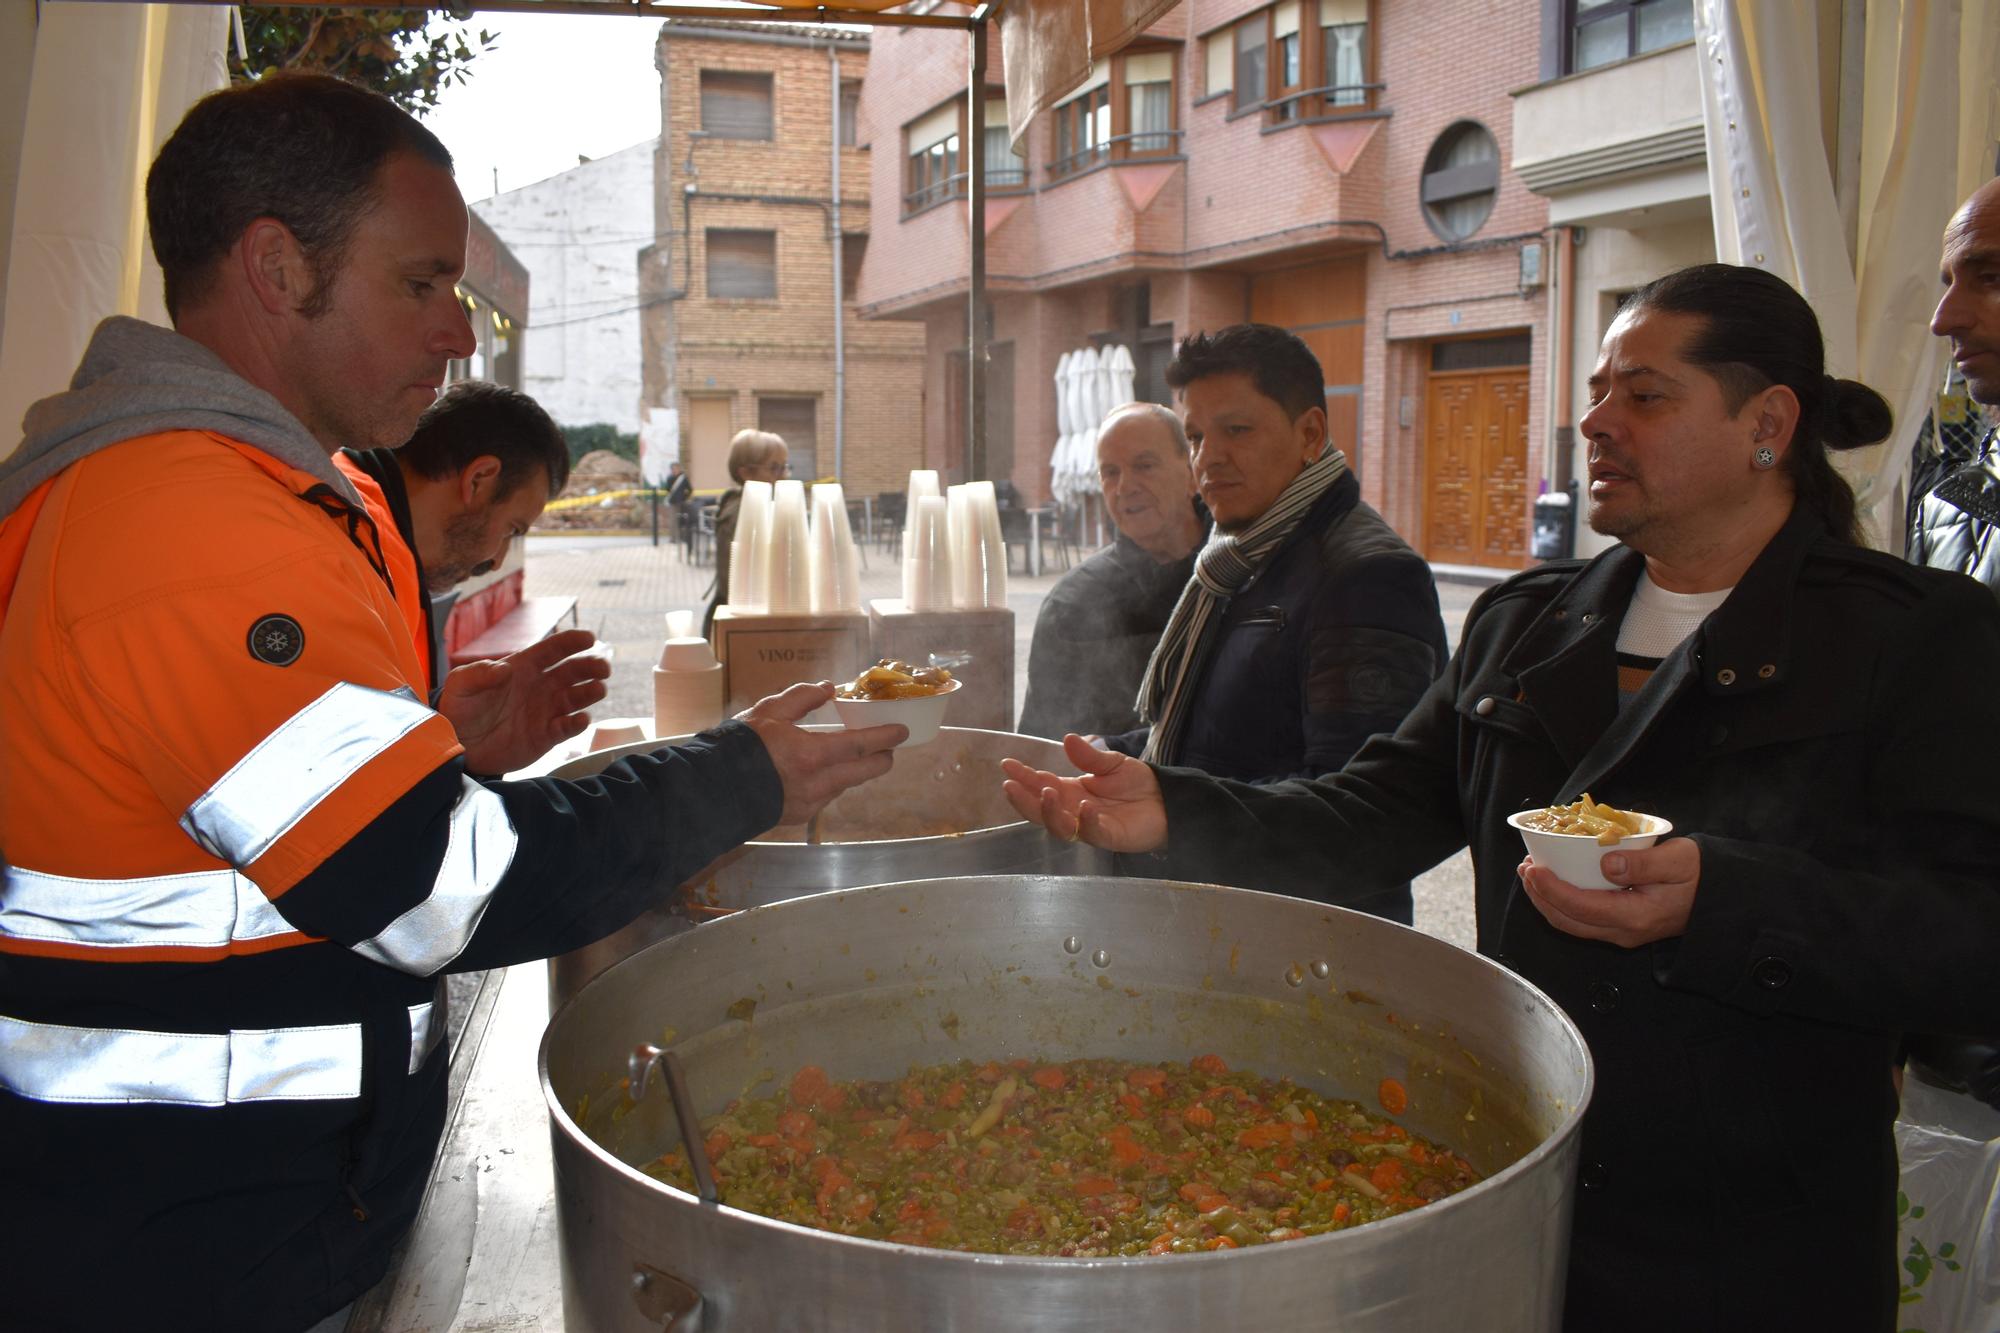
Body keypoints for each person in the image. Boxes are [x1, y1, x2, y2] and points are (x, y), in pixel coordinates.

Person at [0, 74, 900, 1333]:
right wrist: (741, 772)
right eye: (421, 284)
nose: (459, 335)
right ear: (275, 266)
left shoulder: (275, 492)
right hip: (181, 1249)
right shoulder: (186, 518)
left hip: (236, 1214)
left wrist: (437, 744)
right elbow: (432, 887)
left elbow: (250, 813)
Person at [1001, 264, 2000, 1331]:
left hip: (1754, 1241)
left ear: (1765, 422)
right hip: (1525, 1184)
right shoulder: (1525, 626)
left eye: (1644, 395)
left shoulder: (1915, 641)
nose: (1593, 420)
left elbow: (1968, 940)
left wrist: (1724, 898)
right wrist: (1176, 807)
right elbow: (1369, 814)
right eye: (1597, 388)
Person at [1115, 323, 1446, 923]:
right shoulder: (1237, 559)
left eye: (1236, 430)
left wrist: (1171, 809)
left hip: (1307, 940)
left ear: (1310, 433)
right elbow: (1222, 743)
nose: (1207, 457)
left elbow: (1360, 813)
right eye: (1194, 436)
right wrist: (1110, 759)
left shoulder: (1367, 576)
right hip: (1217, 912)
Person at [1903, 176, 2000, 1110]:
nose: (1944, 316)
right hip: (1951, 1036)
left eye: (1990, 276)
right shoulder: (1945, 497)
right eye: (1947, 278)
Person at [337, 378, 570, 699]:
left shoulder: (362, 523)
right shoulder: (350, 541)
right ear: (478, 480)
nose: (496, 561)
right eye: (511, 530)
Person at [1019, 402, 1207, 741]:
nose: (1124, 488)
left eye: (1144, 466)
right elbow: (1043, 743)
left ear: (1192, 471)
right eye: (1110, 472)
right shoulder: (1073, 604)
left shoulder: (1241, 572)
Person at [701, 428, 788, 637]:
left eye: (784, 467)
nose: (782, 475)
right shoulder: (743, 512)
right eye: (774, 468)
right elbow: (736, 579)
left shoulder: (757, 505)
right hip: (738, 621)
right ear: (745, 472)